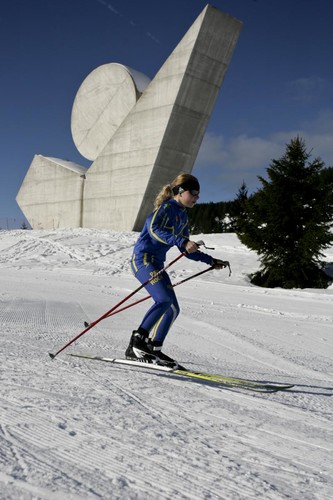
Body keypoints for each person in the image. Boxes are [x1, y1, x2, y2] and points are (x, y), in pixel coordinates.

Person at [125, 173, 227, 369]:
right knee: (163, 300)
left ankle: (154, 348)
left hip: (156, 263)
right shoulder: (166, 209)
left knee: (173, 308)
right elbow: (154, 229)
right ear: (180, 192)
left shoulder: (182, 216)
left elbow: (186, 251)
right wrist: (181, 241)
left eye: (198, 194)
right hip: (143, 260)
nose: (197, 197)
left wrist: (210, 260)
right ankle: (137, 343)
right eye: (193, 193)